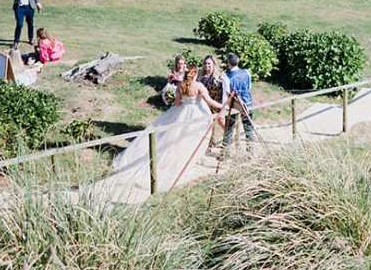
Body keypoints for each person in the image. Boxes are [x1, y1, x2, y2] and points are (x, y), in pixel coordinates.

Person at [105, 65, 218, 197]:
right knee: (189, 139)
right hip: (195, 114)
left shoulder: (181, 85)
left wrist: (183, 102)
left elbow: (176, 103)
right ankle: (183, 163)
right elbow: (210, 101)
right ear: (195, 74)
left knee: (172, 139)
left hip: (180, 113)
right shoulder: (199, 86)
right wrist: (223, 106)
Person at [223, 52, 257, 148]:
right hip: (247, 102)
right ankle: (251, 151)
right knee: (248, 128)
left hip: (234, 105)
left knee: (229, 128)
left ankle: (225, 153)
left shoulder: (226, 76)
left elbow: (227, 93)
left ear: (228, 63)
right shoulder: (246, 72)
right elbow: (249, 87)